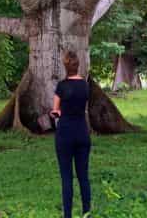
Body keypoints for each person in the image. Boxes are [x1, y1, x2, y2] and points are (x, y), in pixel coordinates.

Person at [50, 50, 92, 218]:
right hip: (82, 133)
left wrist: (57, 113)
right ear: (78, 65)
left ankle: (67, 215)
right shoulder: (86, 86)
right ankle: (86, 213)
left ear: (65, 66)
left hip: (65, 134)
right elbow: (82, 106)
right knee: (83, 176)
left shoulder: (61, 86)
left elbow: (55, 110)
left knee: (66, 177)